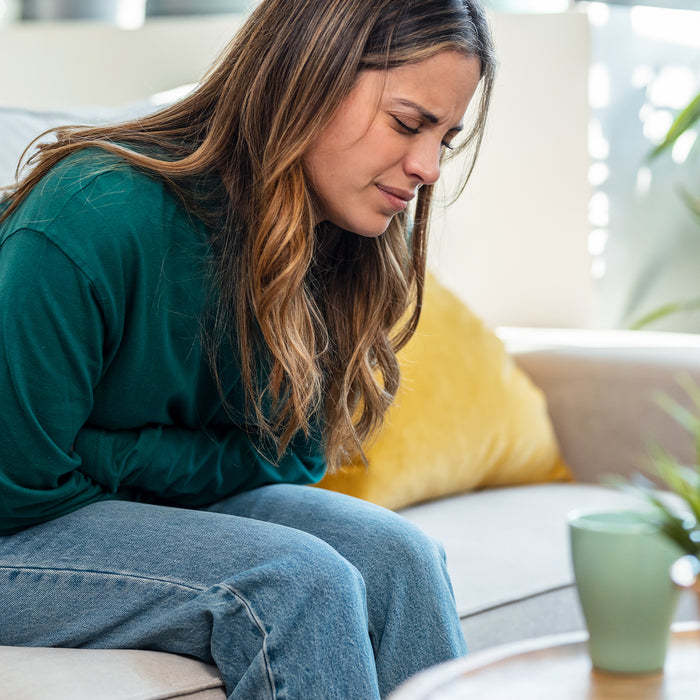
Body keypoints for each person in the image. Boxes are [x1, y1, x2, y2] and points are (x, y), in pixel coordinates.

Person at [0, 0, 496, 697]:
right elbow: (17, 489)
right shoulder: (93, 214)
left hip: (89, 497)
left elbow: (298, 452)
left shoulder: (336, 235)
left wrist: (111, 452)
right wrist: (146, 465)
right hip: (12, 522)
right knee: (295, 581)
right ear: (306, 76)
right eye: (408, 124)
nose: (427, 168)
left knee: (400, 556)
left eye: (443, 139)